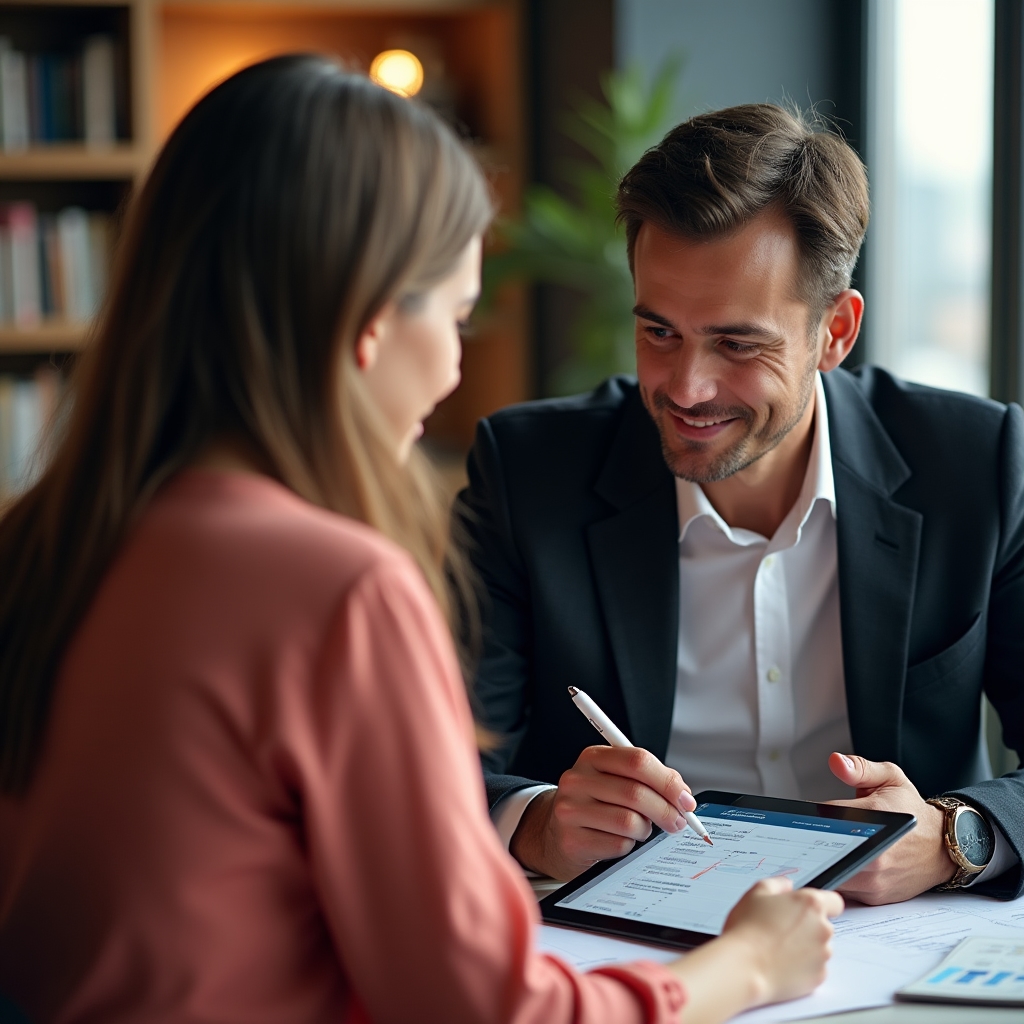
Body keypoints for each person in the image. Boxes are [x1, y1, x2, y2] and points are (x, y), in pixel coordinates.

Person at [0, 60, 842, 1024]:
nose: (450, 371)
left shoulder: (39, 546)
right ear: (369, 327)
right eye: (456, 317)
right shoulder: (337, 592)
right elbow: (490, 1011)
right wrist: (746, 965)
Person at [457, 104, 1024, 902]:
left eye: (737, 343)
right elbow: (432, 762)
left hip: (895, 938)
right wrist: (537, 822)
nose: (687, 388)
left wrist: (952, 836)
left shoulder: (974, 465)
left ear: (836, 331)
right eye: (659, 333)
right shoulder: (528, 473)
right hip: (630, 941)